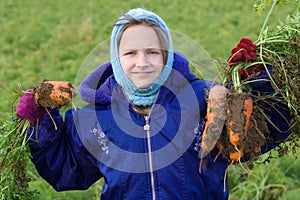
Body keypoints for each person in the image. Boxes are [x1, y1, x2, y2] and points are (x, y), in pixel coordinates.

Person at [16, 8, 291, 200]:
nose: (142, 62)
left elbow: (267, 126)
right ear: (116, 58)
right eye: (130, 53)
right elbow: (66, 171)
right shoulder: (97, 118)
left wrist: (260, 78)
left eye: (152, 52)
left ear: (167, 54)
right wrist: (41, 120)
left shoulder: (205, 100)